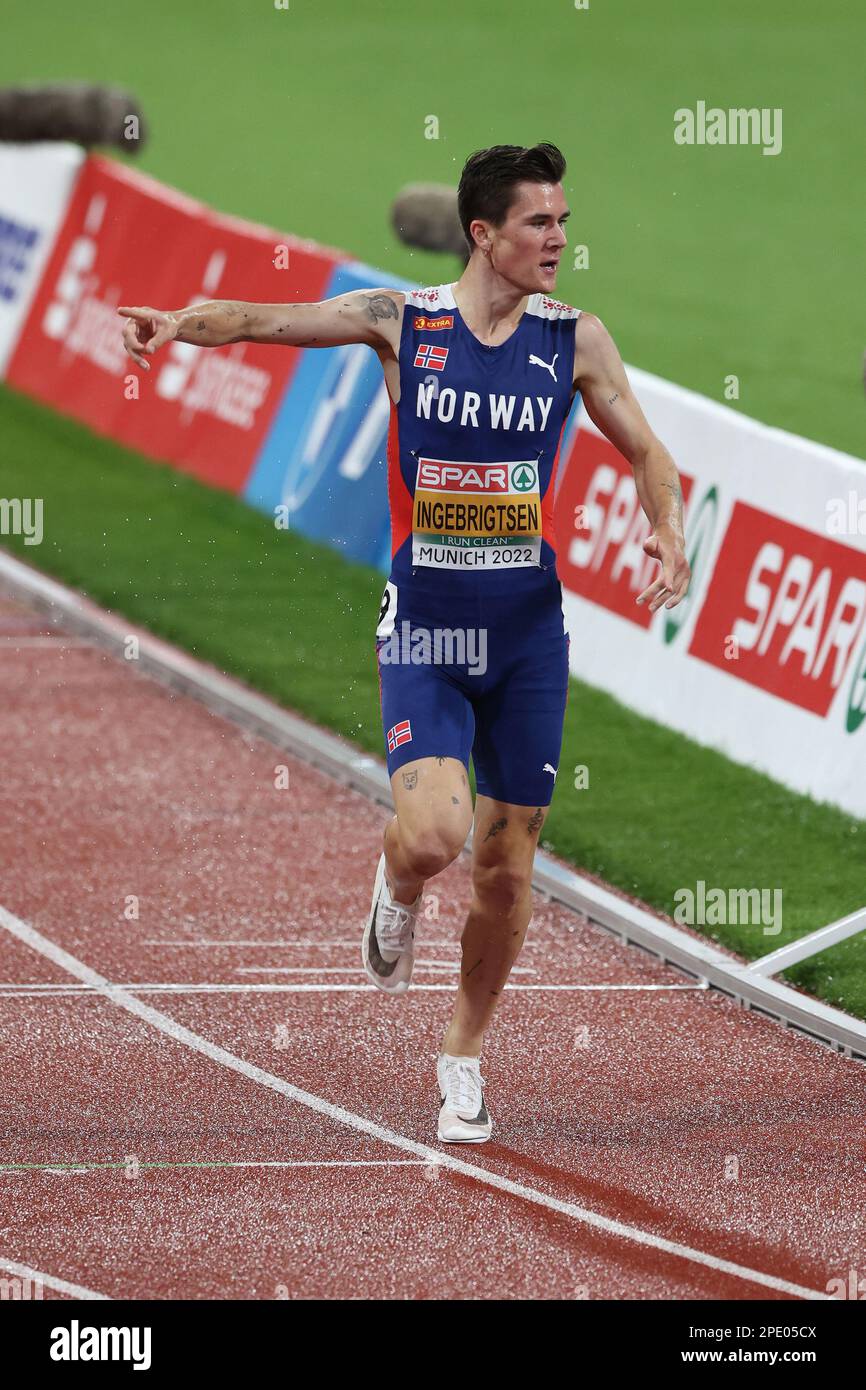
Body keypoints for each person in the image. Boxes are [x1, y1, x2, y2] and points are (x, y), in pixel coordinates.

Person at [119, 141, 690, 1145]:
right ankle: (394, 882)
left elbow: (647, 452)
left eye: (561, 221)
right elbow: (260, 318)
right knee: (433, 836)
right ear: (482, 233)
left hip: (523, 640)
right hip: (425, 627)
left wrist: (665, 527)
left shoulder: (575, 339)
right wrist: (173, 326)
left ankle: (461, 1055)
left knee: (507, 865)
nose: (558, 240)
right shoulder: (402, 321)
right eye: (537, 224)